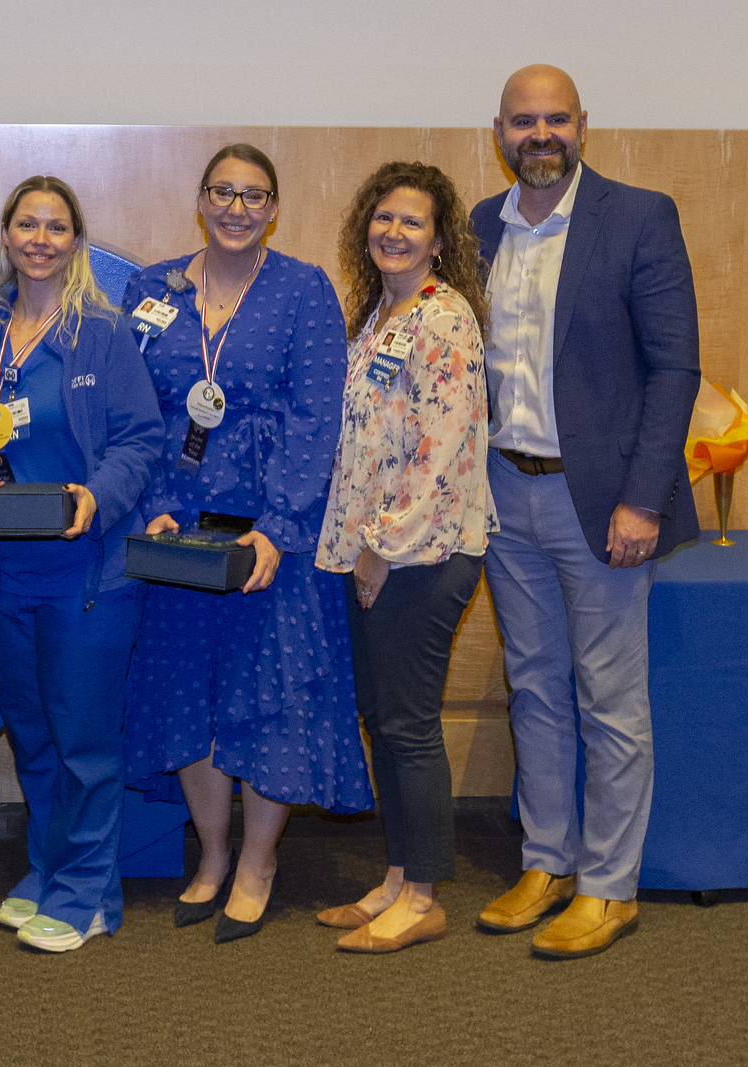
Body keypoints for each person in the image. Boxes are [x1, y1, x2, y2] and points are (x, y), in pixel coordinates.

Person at [471, 65, 700, 959]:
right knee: (533, 687)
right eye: (523, 121)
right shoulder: (479, 228)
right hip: (502, 495)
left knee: (610, 699)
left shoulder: (639, 218)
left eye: (555, 119)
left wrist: (644, 498)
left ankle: (610, 885)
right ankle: (547, 860)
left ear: (583, 126)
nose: (540, 134)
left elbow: (674, 368)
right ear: (498, 132)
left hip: (601, 502)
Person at [120, 143, 373, 944]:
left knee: (270, 700)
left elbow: (316, 418)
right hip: (179, 534)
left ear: (273, 208)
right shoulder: (149, 288)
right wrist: (155, 505)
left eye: (254, 195)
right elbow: (132, 412)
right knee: (185, 691)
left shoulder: (302, 290)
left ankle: (259, 862)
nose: (236, 207)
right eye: (222, 192)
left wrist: (280, 527)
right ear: (200, 200)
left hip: (275, 536)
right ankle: (213, 853)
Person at [0, 175, 163, 952]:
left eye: (56, 226)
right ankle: (48, 868)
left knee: (85, 741)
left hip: (87, 571)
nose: (40, 238)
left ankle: (88, 895)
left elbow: (142, 440)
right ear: (5, 236)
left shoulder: (103, 334)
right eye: (26, 224)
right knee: (32, 735)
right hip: (3, 570)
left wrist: (95, 497)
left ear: (75, 241)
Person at [313, 162, 498, 953]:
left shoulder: (444, 316)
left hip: (422, 554)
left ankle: (423, 896)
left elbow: (438, 447)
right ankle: (397, 875)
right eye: (383, 218)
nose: (393, 232)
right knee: (384, 721)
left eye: (411, 222)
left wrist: (382, 547)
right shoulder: (383, 313)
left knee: (411, 725)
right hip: (376, 551)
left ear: (439, 238)